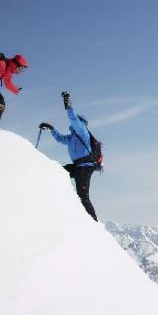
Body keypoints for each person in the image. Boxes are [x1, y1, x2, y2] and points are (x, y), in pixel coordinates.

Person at [41, 92, 101, 220]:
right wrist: (52, 129)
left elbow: (74, 119)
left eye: (78, 122)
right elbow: (60, 139)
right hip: (77, 166)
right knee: (56, 171)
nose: (75, 124)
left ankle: (94, 223)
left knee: (83, 195)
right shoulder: (73, 137)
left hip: (85, 167)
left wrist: (68, 107)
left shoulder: (83, 131)